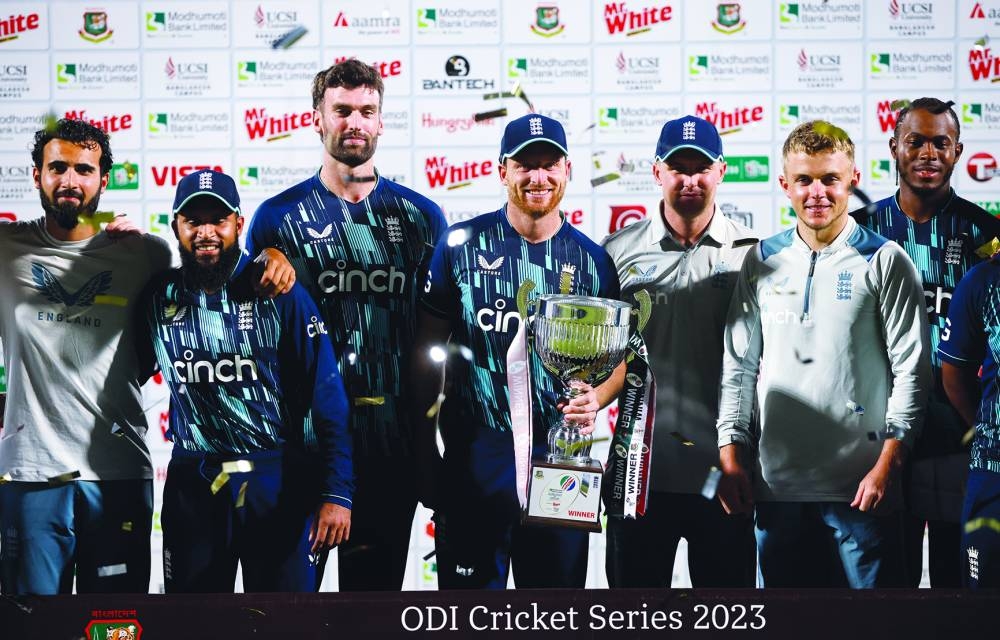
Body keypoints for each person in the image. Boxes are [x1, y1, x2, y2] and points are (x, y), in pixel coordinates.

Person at [246, 59, 447, 591]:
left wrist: (428, 447)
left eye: (367, 111)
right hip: (302, 448)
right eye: (341, 110)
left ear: (381, 122)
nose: (354, 122)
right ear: (316, 118)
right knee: (286, 614)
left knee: (371, 613)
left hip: (391, 447)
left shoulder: (422, 218)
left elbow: (437, 340)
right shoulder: (275, 219)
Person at [716, 120, 931, 588]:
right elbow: (739, 368)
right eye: (805, 180)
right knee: (790, 629)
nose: (817, 192)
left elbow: (912, 372)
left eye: (830, 179)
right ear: (784, 185)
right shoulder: (762, 259)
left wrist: (887, 466)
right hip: (776, 488)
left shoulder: (885, 259)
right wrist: (731, 455)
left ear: (852, 179)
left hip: (863, 493)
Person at [410, 113, 620, 589]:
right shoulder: (459, 246)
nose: (538, 177)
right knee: (468, 618)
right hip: (474, 458)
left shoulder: (593, 261)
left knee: (553, 618)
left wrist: (596, 398)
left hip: (561, 462)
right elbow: (425, 355)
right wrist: (423, 454)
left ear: (567, 170)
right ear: (502, 170)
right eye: (525, 165)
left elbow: (619, 362)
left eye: (549, 165)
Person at [141, 169, 352, 592]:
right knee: (193, 625)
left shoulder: (277, 287)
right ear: (174, 226)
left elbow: (326, 395)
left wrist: (337, 492)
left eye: (217, 220)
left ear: (239, 224)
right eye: (193, 221)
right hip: (193, 483)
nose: (205, 233)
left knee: (283, 625)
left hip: (275, 479)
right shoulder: (157, 295)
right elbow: (122, 371)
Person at [0, 119, 170, 594]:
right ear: (36, 176)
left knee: (113, 626)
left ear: (103, 180)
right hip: (30, 473)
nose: (69, 181)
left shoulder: (146, 254)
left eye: (83, 169)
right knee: (30, 627)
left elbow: (164, 346)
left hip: (116, 471)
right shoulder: (5, 248)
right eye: (57, 168)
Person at [600, 115, 757, 587]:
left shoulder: (753, 253)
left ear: (721, 172)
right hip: (639, 475)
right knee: (633, 621)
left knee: (727, 620)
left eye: (701, 168)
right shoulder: (615, 252)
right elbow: (606, 360)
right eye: (677, 168)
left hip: (726, 473)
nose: (690, 180)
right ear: (657, 173)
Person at [851, 97, 1000, 587]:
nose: (928, 153)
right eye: (915, 141)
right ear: (894, 147)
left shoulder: (987, 235)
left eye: (941, 143)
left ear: (958, 153)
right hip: (879, 432)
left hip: (959, 432)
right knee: (888, 585)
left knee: (957, 587)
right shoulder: (859, 232)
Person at [938, 255, 1000, 588]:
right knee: (982, 602)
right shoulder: (985, 280)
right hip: (994, 468)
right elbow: (954, 376)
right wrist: (987, 427)